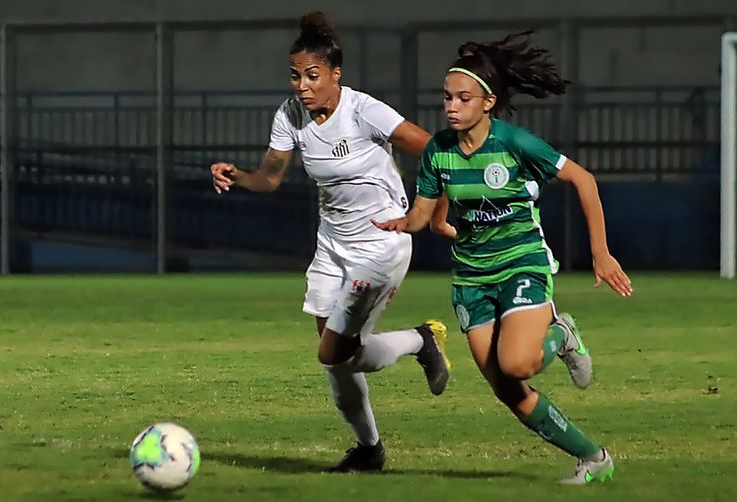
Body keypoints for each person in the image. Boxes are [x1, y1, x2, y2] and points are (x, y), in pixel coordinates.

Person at [373, 32, 633, 484]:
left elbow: (584, 180)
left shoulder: (514, 144)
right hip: (471, 277)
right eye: (447, 97)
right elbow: (422, 214)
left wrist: (601, 253)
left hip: (521, 263)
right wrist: (401, 222)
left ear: (488, 101)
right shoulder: (439, 151)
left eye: (463, 98)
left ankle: (561, 334)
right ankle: (595, 458)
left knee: (517, 363)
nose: (451, 106)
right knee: (507, 388)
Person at [210, 11, 450, 473]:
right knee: (337, 359)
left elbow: (436, 151)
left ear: (336, 75)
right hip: (332, 248)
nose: (302, 85)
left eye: (312, 76)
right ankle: (369, 449)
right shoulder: (290, 115)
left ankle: (420, 341)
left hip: (381, 247)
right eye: (296, 75)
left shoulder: (364, 111)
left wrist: (434, 211)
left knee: (334, 352)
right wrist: (238, 176)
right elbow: (271, 178)